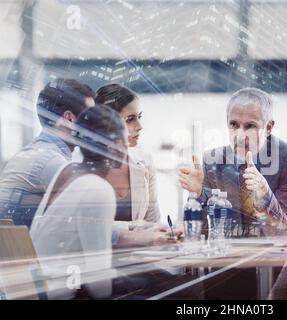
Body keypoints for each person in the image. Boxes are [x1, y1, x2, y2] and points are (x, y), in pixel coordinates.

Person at [30, 105, 174, 300]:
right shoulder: (98, 188)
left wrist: (138, 228)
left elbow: (79, 229)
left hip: (45, 291)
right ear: (114, 145)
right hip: (68, 295)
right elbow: (99, 286)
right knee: (168, 288)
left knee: (151, 281)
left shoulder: (67, 172)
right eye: (124, 142)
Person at [178, 87, 287, 299]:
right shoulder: (212, 160)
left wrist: (265, 193)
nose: (239, 135)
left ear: (269, 127)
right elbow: (200, 233)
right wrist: (199, 193)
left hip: (277, 268)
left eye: (250, 126)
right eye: (233, 125)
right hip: (224, 267)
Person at [0, 79, 95, 227]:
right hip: (31, 249)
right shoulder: (51, 162)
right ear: (68, 118)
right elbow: (90, 220)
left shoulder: (34, 152)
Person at [94, 83, 160, 229]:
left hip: (139, 250)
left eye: (139, 117)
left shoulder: (145, 161)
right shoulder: (77, 166)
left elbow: (153, 222)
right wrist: (135, 227)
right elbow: (89, 226)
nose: (140, 126)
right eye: (130, 119)